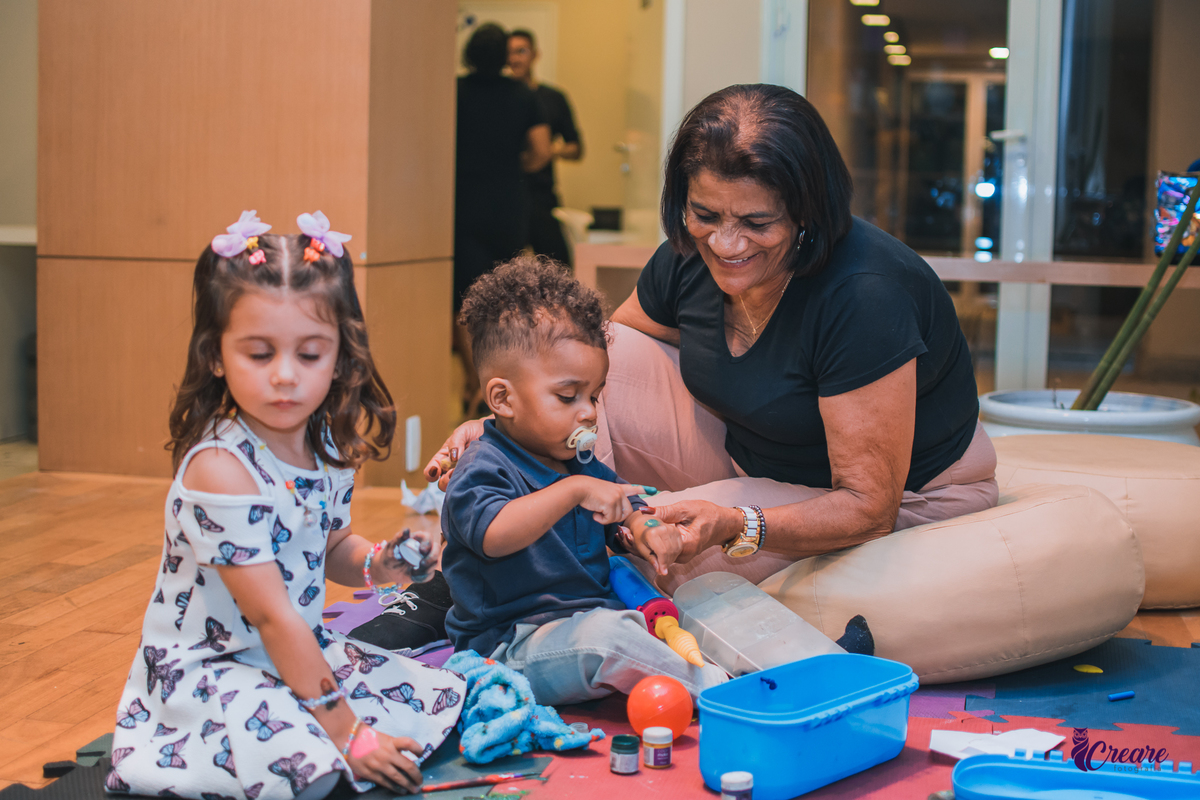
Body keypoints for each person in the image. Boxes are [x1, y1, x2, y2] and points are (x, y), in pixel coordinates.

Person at [427, 84, 998, 597]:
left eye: (756, 223)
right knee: (603, 352)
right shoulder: (689, 253)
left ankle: (523, 581)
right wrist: (501, 431)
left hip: (892, 495)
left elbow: (869, 506)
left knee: (654, 555)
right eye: (704, 213)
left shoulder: (864, 294)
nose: (725, 244)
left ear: (807, 212)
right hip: (750, 448)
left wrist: (736, 523)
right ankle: (481, 570)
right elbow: (593, 366)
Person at [109, 212, 465, 800]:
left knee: (435, 693)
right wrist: (349, 734)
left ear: (340, 357)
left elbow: (331, 549)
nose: (284, 377)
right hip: (212, 672)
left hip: (298, 648)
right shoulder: (219, 471)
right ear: (216, 356)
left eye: (309, 354)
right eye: (258, 353)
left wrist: (385, 563)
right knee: (314, 760)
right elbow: (271, 617)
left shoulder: (326, 445)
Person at [439, 256, 728, 705]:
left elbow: (624, 507)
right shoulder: (483, 467)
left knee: (686, 607)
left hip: (589, 622)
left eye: (594, 395)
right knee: (611, 639)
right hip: (509, 648)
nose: (589, 412)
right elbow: (494, 536)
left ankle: (768, 668)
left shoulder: (578, 461)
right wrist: (572, 491)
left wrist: (644, 529)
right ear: (502, 398)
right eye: (568, 396)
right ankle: (725, 696)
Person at [455, 23, 552, 414]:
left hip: (462, 203)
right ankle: (501, 381)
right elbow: (541, 151)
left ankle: (472, 381)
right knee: (504, 297)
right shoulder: (524, 95)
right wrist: (512, 169)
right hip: (508, 204)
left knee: (463, 299)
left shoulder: (455, 92)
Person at [507, 28, 582, 267]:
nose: (515, 58)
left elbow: (576, 147)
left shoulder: (553, 98)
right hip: (506, 194)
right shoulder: (500, 97)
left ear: (535, 55)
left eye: (522, 51)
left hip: (541, 193)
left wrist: (546, 151)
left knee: (558, 265)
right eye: (509, 52)